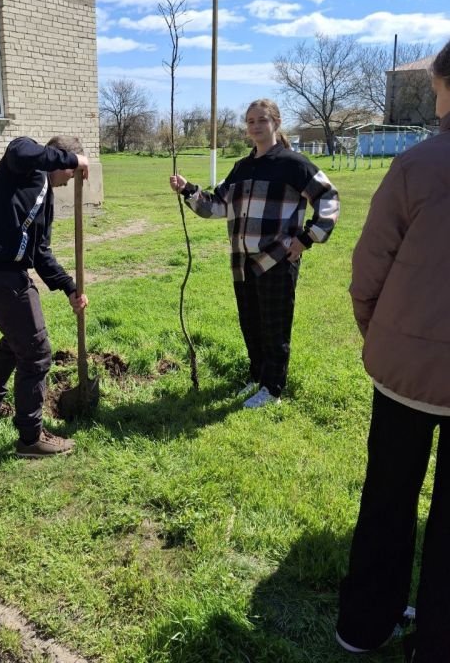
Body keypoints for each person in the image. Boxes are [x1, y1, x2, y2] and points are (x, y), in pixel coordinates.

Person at [336, 41, 450, 663]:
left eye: (435, 91)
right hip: (408, 366)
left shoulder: (415, 166)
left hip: (404, 375)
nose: (433, 105)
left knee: (387, 498)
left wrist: (378, 333)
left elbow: (368, 268)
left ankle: (364, 625)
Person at [169, 98, 339, 408]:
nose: (256, 126)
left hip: (276, 260)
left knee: (275, 326)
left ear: (275, 122)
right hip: (242, 263)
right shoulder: (241, 168)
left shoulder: (294, 164)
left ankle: (272, 388)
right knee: (251, 323)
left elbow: (328, 198)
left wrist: (307, 237)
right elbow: (215, 206)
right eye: (250, 121)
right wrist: (188, 190)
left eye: (262, 120)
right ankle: (257, 375)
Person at [0, 135, 89, 458]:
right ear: (61, 159)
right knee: (36, 350)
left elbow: (41, 254)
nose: (72, 177)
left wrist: (70, 287)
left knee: (16, 338)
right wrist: (74, 160)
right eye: (70, 169)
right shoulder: (24, 168)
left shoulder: (44, 200)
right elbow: (18, 149)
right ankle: (31, 438)